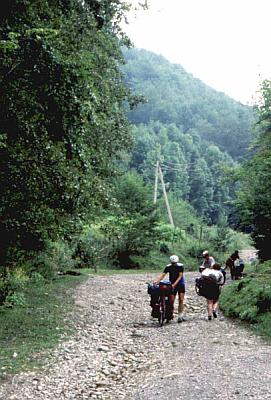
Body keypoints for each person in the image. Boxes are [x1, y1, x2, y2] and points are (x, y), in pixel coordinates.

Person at [155, 254, 185, 323]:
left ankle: (180, 315)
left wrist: (174, 284)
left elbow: (180, 276)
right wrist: (157, 281)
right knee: (171, 300)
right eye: (172, 263)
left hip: (180, 284)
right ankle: (169, 315)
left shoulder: (180, 266)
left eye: (175, 263)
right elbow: (163, 275)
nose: (174, 264)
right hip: (171, 284)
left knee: (181, 299)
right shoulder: (168, 267)